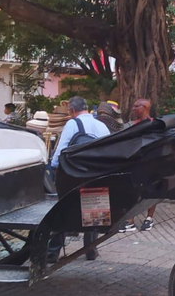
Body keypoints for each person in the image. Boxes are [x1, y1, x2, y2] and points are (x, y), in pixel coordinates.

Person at [48, 96, 110, 262]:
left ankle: (53, 252)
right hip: (97, 173)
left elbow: (61, 149)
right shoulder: (102, 126)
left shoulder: (72, 124)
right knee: (94, 209)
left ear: (72, 111)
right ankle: (90, 250)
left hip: (74, 175)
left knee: (64, 210)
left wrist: (54, 167)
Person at [119, 98, 157, 232]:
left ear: (145, 107)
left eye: (136, 106)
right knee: (132, 191)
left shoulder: (154, 125)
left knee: (151, 190)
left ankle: (149, 218)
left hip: (151, 163)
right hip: (134, 163)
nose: (133, 109)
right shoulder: (130, 125)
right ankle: (130, 219)